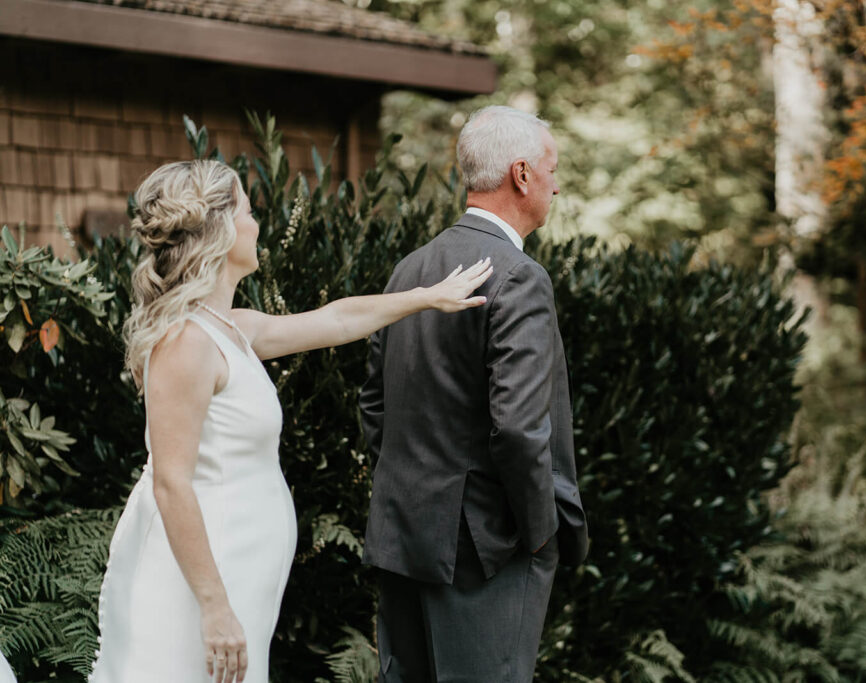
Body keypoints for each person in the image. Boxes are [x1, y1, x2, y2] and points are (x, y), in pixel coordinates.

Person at [89, 160, 493, 683]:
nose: (258, 223)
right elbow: (171, 483)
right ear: (220, 229)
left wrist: (426, 298)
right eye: (249, 211)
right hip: (192, 586)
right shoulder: (185, 344)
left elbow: (336, 320)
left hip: (236, 574)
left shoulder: (230, 329)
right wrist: (213, 606)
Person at [359, 105, 588, 682]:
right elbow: (518, 428)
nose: (557, 184)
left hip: (402, 536)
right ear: (522, 175)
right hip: (485, 551)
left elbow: (373, 407)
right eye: (552, 168)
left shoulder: (409, 270)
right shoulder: (518, 276)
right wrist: (540, 535)